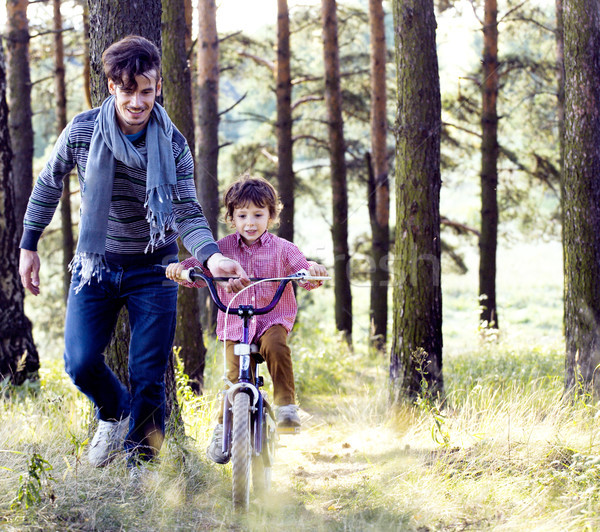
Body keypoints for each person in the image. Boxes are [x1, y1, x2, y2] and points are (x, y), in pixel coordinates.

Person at [18, 36, 249, 476]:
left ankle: (141, 464)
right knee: (80, 361)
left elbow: (184, 208)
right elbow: (48, 183)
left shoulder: (173, 143)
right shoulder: (84, 130)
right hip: (96, 265)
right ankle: (113, 413)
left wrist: (211, 257)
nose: (137, 102)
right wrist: (29, 244)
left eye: (146, 90)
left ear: (158, 86)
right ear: (111, 87)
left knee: (147, 373)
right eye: (128, 91)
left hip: (154, 267)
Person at [166, 174, 327, 464]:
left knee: (277, 347)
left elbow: (303, 271)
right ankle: (221, 431)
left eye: (257, 215)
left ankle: (286, 406)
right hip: (234, 326)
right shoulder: (222, 249)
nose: (250, 222)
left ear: (271, 216)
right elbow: (200, 268)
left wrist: (313, 271)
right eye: (242, 215)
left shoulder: (283, 248)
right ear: (232, 218)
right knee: (233, 379)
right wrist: (181, 270)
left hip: (270, 319)